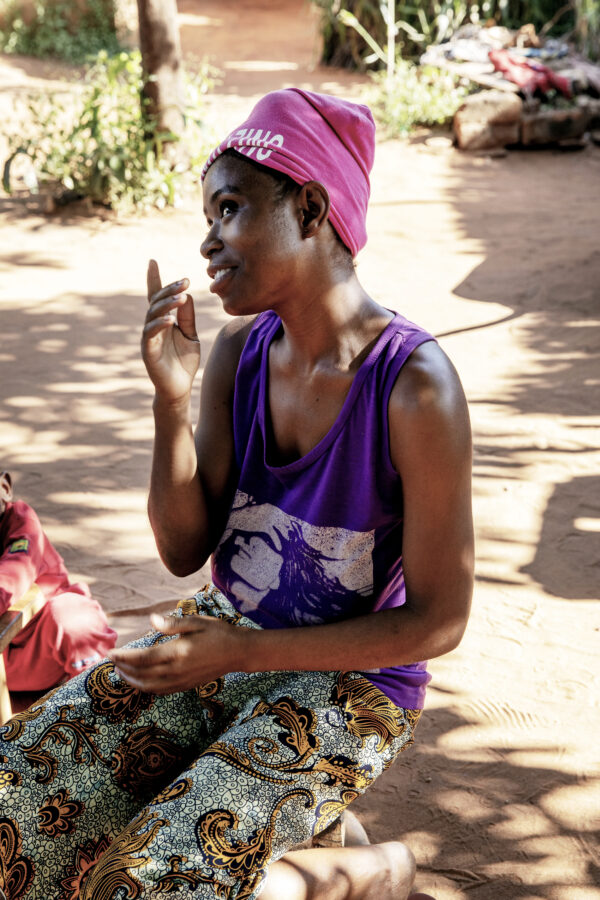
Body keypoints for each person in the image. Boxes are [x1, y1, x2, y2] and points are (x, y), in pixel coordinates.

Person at [0, 89, 472, 900]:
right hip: (225, 637)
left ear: (312, 209)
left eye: (229, 209)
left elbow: (439, 622)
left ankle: (371, 874)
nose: (207, 242)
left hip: (353, 685)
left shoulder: (414, 388)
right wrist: (169, 398)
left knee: (145, 884)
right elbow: (185, 550)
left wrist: (245, 655)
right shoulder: (238, 351)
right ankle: (313, 831)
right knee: (13, 810)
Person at [0, 470, 117, 694]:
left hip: (41, 649)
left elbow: (13, 574)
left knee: (73, 616)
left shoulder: (22, 522)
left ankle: (98, 694)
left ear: (4, 488)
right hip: (7, 667)